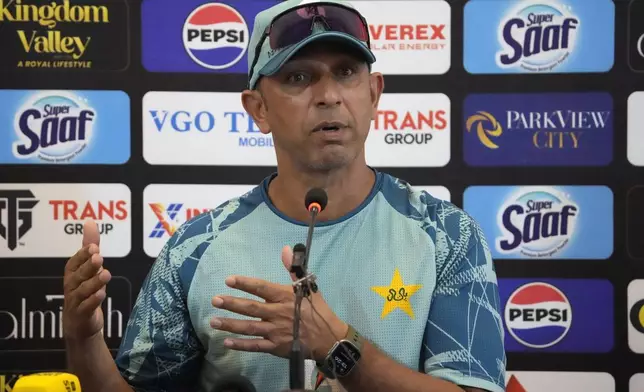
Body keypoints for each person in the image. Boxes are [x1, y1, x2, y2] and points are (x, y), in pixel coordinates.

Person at [62, 1, 507, 391]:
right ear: (258, 109)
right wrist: (84, 343)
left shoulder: (447, 236)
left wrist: (336, 346)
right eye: (299, 76)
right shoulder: (194, 250)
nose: (329, 96)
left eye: (347, 73)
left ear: (373, 94)